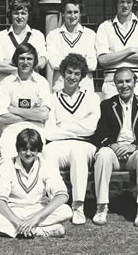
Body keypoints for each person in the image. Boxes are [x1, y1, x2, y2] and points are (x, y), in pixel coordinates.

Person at [0, 128, 72, 238]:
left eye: (32, 149)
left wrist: (35, 218)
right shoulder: (7, 165)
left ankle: (4, 230)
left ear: (38, 150)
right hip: (13, 211)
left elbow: (62, 195)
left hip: (37, 210)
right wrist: (18, 222)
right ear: (18, 149)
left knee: (66, 211)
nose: (28, 153)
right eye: (24, 149)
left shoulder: (46, 165)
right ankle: (39, 231)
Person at [93, 67, 138, 226]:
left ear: (135, 82)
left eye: (128, 81)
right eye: (120, 81)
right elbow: (100, 134)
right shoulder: (107, 105)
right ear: (115, 84)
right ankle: (101, 206)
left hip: (134, 152)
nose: (124, 85)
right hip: (114, 152)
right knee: (102, 155)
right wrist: (113, 146)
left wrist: (133, 147)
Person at [43, 53, 101, 225]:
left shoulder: (91, 97)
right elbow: (49, 132)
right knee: (47, 153)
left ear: (82, 76)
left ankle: (78, 206)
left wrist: (63, 125)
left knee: (78, 153)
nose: (72, 77)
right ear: (62, 73)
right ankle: (56, 201)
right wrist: (77, 126)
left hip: (85, 145)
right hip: (58, 144)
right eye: (69, 72)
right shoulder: (52, 98)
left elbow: (91, 129)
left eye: (77, 74)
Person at [95, 0, 138, 99]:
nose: (125, 5)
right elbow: (102, 60)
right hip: (111, 83)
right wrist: (130, 50)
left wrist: (114, 55)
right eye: (121, 2)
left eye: (129, 2)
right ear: (116, 3)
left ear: (133, 3)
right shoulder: (105, 27)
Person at [0, 43, 51, 158]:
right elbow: (2, 117)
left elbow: (44, 114)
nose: (25, 62)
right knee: (7, 160)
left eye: (29, 58)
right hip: (11, 130)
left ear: (34, 61)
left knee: (37, 162)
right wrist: (32, 113)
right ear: (16, 59)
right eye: (22, 58)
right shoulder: (6, 83)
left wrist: (14, 109)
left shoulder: (42, 82)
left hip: (36, 129)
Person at [46, 0, 97, 92]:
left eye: (76, 12)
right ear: (63, 14)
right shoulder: (53, 35)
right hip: (60, 89)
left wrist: (65, 60)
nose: (72, 16)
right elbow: (54, 63)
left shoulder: (90, 35)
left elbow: (92, 64)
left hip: (85, 90)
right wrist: (81, 59)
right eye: (69, 12)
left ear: (80, 13)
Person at [0, 0, 47, 81]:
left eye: (23, 13)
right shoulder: (1, 37)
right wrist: (23, 68)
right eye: (16, 13)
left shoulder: (38, 36)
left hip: (32, 86)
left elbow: (42, 63)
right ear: (10, 15)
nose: (20, 17)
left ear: (28, 15)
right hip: (8, 86)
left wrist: (10, 62)